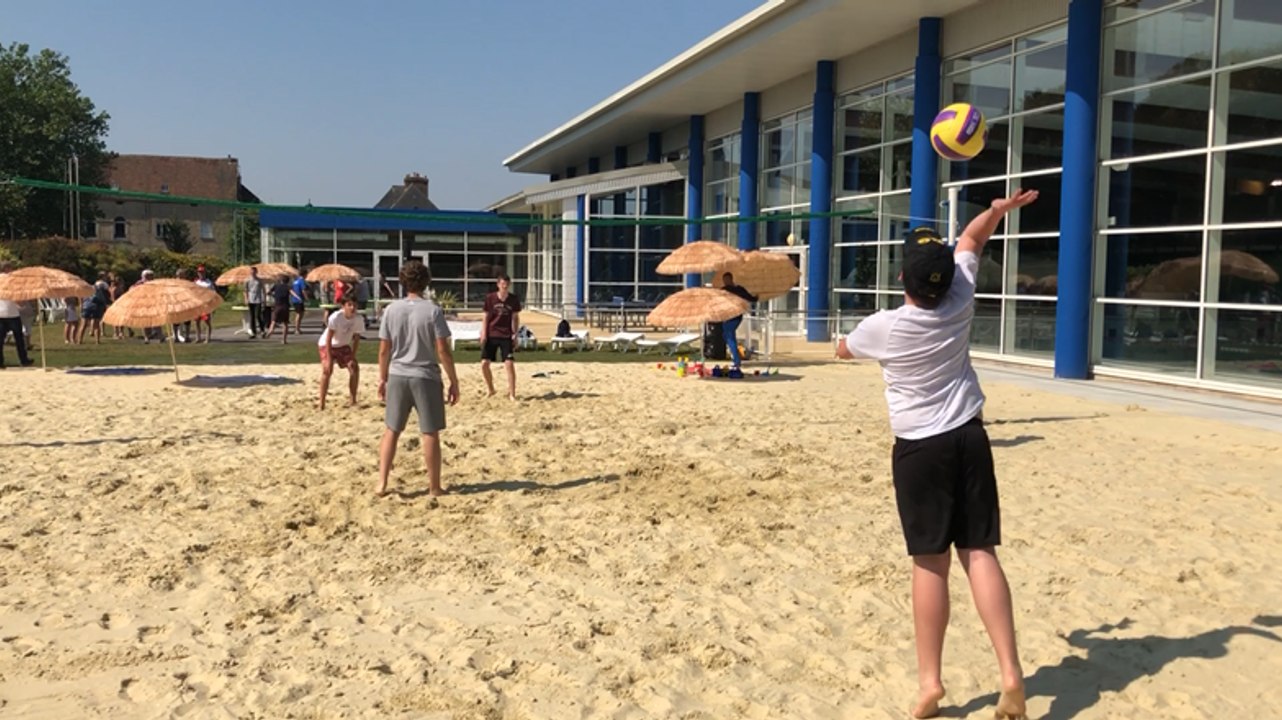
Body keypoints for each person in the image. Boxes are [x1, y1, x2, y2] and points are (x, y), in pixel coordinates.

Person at [837, 190, 1039, 720]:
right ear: (946, 278)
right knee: (980, 553)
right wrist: (997, 213)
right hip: (970, 438)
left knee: (930, 562)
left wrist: (846, 341)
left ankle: (930, 683)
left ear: (903, 280)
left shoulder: (884, 327)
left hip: (919, 450)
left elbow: (842, 350)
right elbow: (972, 239)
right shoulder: (962, 295)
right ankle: (1011, 673)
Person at [377, 260, 459, 498]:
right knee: (430, 432)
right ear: (426, 282)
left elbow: (384, 350)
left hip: (398, 374)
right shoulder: (432, 310)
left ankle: (381, 483)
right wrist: (454, 380)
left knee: (391, 430)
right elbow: (443, 350)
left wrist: (382, 379)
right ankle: (434, 487)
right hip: (425, 375)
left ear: (403, 282)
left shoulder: (391, 310)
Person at [318, 295, 365, 410]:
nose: (352, 308)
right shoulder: (336, 317)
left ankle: (353, 400)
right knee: (327, 370)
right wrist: (329, 359)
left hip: (343, 345)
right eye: (349, 305)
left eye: (354, 305)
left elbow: (356, 339)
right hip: (327, 344)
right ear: (343, 306)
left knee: (354, 367)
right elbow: (329, 338)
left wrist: (353, 356)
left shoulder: (358, 319)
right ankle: (321, 403)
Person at [480, 273, 521, 400]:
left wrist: (515, 334)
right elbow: (486, 317)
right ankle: (491, 389)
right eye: (502, 284)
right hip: (492, 333)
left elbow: (515, 317)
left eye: (507, 284)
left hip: (506, 334)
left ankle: (512, 394)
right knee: (484, 364)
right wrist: (483, 333)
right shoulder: (490, 298)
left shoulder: (513, 299)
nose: (505, 286)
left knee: (509, 363)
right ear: (498, 285)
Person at [0, 262, 35, 368]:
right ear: (7, 269)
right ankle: (23, 359)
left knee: (0, 340)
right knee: (19, 339)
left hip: (0, 313)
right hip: (12, 314)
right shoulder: (12, 281)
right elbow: (18, 298)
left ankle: (0, 362)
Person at [720, 272, 757, 368]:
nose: (725, 282)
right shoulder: (724, 290)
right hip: (728, 316)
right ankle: (735, 357)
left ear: (730, 279)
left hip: (735, 316)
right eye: (724, 280)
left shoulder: (738, 289)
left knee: (729, 335)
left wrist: (756, 297)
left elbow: (750, 298)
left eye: (726, 280)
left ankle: (736, 360)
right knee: (726, 335)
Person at [80, 272, 110, 344]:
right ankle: (97, 341)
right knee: (97, 324)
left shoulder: (88, 288)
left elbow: (82, 297)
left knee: (83, 324)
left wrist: (82, 305)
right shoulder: (102, 286)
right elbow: (105, 296)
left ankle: (79, 340)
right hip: (97, 306)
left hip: (87, 305)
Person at [264, 277, 292, 343]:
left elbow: (268, 293)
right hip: (285, 306)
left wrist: (274, 295)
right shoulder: (287, 287)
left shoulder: (276, 286)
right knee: (285, 323)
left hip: (277, 306)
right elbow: (292, 293)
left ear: (281, 280)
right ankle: (284, 340)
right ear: (287, 281)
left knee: (273, 321)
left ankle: (270, 331)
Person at [193, 265, 215, 343]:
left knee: (207, 321)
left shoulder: (209, 282)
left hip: (206, 304)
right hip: (198, 304)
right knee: (197, 321)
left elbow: (213, 293)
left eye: (202, 272)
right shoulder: (196, 282)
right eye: (199, 272)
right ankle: (198, 337)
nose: (201, 274)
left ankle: (207, 338)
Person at [245, 266, 265, 339]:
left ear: (256, 272)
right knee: (252, 316)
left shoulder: (259, 280)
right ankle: (253, 332)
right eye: (251, 272)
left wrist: (264, 300)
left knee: (258, 315)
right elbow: (245, 290)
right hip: (251, 299)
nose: (253, 273)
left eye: (254, 272)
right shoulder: (247, 280)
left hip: (258, 299)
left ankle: (262, 330)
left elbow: (263, 290)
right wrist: (246, 299)